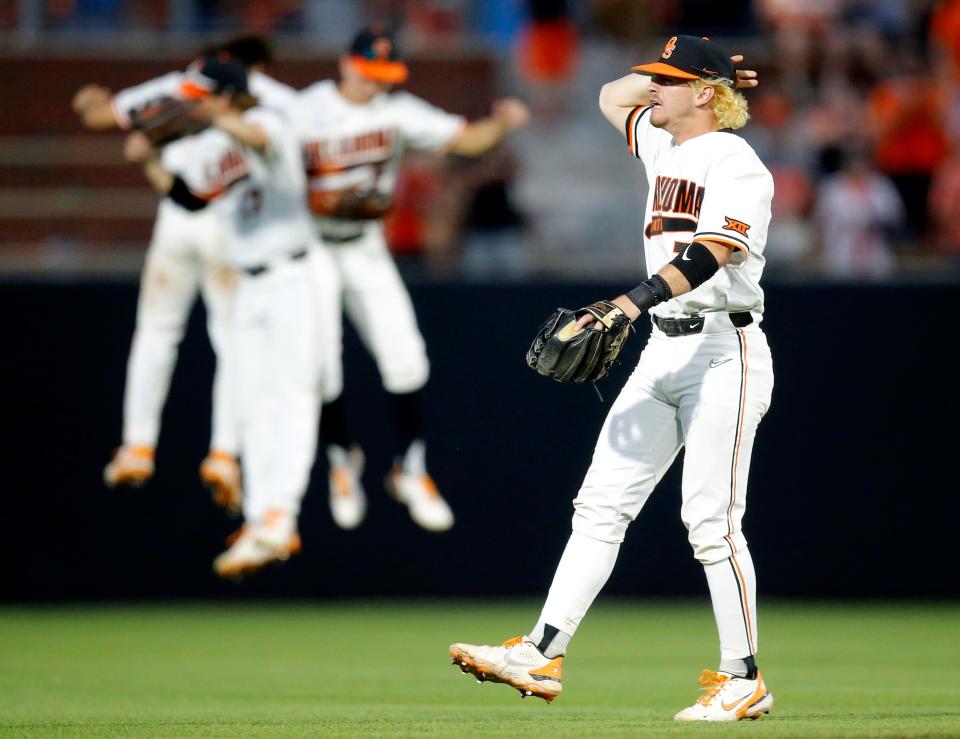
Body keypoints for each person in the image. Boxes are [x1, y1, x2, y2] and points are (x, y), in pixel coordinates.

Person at [449, 36, 776, 722]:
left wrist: (629, 302)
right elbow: (610, 95)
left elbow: (714, 250)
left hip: (726, 351)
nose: (651, 88)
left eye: (669, 80)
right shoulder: (666, 147)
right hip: (663, 348)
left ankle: (743, 677)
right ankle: (541, 651)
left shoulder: (735, 161)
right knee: (598, 505)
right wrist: (695, 73)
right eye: (655, 77)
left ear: (706, 95)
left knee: (711, 522)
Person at [293, 26, 530, 532]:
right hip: (311, 248)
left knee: (407, 360)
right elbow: (273, 174)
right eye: (368, 73)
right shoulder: (303, 111)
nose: (375, 85)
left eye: (384, 75)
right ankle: (341, 460)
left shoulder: (394, 111)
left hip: (363, 245)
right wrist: (319, 200)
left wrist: (501, 123)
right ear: (345, 64)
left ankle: (410, 468)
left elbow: (465, 138)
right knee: (322, 365)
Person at [124, 56, 337, 578]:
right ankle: (262, 520)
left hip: (294, 274)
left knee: (292, 396)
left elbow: (258, 140)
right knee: (254, 399)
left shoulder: (269, 120)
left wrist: (213, 115)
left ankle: (280, 516)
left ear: (227, 96)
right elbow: (188, 198)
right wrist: (149, 156)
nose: (194, 106)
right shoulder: (215, 144)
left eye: (204, 97)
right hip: (249, 284)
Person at [71, 36, 297, 514]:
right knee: (232, 343)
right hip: (229, 229)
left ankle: (138, 444)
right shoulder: (274, 104)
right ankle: (223, 452)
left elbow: (100, 116)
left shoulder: (188, 91)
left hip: (186, 217)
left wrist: (94, 104)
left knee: (157, 334)